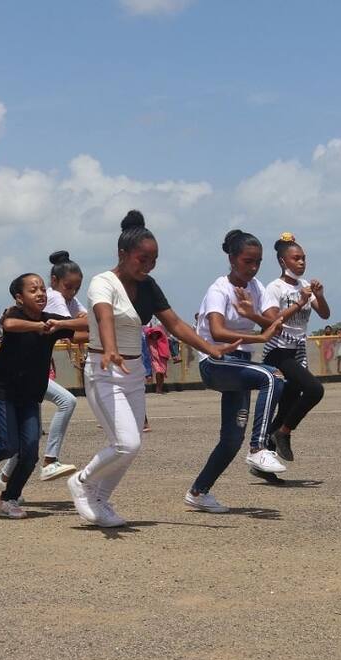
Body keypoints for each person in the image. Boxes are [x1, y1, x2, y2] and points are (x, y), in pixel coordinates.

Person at [67, 211, 244, 526]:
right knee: (126, 443)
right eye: (142, 259)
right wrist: (110, 349)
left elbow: (174, 323)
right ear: (122, 254)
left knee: (131, 445)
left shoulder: (148, 285)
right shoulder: (102, 282)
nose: (148, 265)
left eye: (154, 260)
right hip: (105, 371)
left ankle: (101, 499)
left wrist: (211, 348)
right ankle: (82, 482)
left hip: (134, 373)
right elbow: (104, 316)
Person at [0, 273, 84, 518]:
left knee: (29, 453)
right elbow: (9, 325)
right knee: (7, 445)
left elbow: (86, 327)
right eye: (33, 290)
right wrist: (42, 326)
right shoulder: (15, 315)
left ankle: (8, 499)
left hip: (30, 395)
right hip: (4, 392)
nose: (40, 294)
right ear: (19, 298)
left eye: (42, 289)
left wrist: (67, 324)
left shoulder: (51, 321)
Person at [185, 229, 289, 510]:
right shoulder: (218, 289)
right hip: (216, 361)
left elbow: (275, 323)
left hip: (239, 364)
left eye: (258, 262)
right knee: (272, 376)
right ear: (232, 260)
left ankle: (198, 493)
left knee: (231, 439)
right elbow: (217, 331)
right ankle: (259, 448)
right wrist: (259, 337)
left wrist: (251, 315)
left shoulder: (256, 288)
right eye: (247, 261)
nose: (253, 268)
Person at [0, 250, 88, 485]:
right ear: (55, 282)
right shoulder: (54, 298)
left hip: (34, 374)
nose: (73, 292)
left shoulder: (67, 299)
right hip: (22, 376)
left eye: (77, 288)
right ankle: (50, 460)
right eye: (69, 287)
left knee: (31, 436)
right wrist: (78, 323)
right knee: (67, 401)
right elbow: (74, 328)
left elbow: (82, 326)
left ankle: (5, 476)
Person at [261, 232, 331, 465]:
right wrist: (299, 303)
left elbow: (324, 314)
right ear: (283, 261)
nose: (301, 262)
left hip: (297, 352)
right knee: (314, 390)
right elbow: (272, 319)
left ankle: (265, 458)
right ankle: (284, 433)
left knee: (286, 408)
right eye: (296, 258)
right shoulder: (275, 287)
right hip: (278, 351)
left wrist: (319, 296)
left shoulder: (305, 286)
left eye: (303, 258)